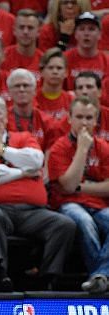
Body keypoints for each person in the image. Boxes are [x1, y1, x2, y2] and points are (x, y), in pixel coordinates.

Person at [0, 94, 76, 291]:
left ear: (6, 118)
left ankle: (47, 278)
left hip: (31, 212)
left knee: (64, 224)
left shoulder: (23, 137)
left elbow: (36, 161)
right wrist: (23, 172)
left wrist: (1, 148)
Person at [48, 96, 109, 293]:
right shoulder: (59, 147)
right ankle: (99, 277)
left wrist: (81, 187)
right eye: (80, 117)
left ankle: (99, 277)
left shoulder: (103, 147)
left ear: (96, 120)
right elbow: (67, 186)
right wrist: (82, 149)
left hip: (98, 204)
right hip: (68, 203)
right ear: (70, 119)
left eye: (89, 118)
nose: (84, 122)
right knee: (84, 221)